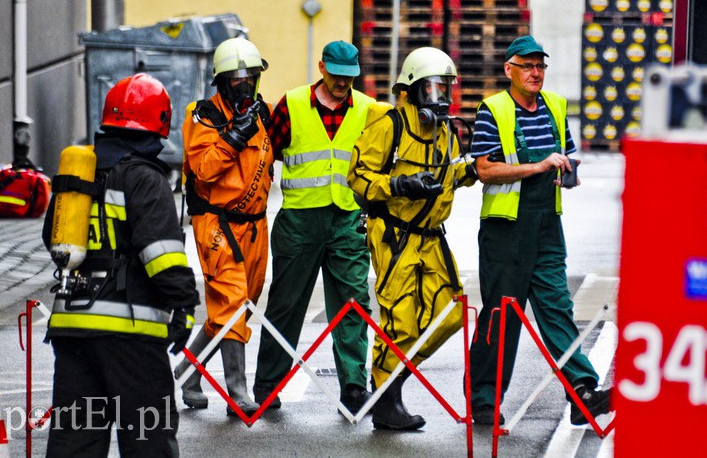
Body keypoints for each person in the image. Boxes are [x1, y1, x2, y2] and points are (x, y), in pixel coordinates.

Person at [43, 73, 200, 456]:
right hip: (130, 333)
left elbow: (53, 236)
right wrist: (184, 305)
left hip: (72, 328)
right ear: (159, 124)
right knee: (149, 438)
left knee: (75, 443)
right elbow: (161, 253)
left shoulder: (78, 173)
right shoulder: (145, 178)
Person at [467, 35, 614, 426]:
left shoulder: (555, 106)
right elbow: (483, 169)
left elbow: (564, 153)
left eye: (540, 66)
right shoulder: (492, 110)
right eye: (528, 66)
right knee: (501, 317)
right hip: (505, 230)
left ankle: (582, 393)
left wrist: (568, 171)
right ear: (509, 70)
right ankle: (483, 399)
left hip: (547, 225)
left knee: (557, 309)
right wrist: (537, 167)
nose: (536, 73)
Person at [254, 40, 390, 414]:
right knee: (285, 305)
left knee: (353, 305)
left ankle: (352, 387)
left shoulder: (366, 110)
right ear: (321, 67)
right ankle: (267, 386)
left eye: (349, 77)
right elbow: (268, 153)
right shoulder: (292, 104)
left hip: (347, 219)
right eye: (336, 75)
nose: (343, 83)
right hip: (300, 221)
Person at [348, 47, 478, 431]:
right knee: (399, 321)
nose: (441, 97)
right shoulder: (389, 125)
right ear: (413, 90)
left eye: (446, 88)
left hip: (432, 237)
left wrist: (480, 166)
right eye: (434, 88)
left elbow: (456, 172)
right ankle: (387, 400)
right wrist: (400, 184)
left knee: (451, 313)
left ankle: (391, 379)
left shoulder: (445, 132)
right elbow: (357, 176)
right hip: (395, 237)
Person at [177, 37, 273, 416]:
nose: (245, 87)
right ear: (221, 82)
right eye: (238, 81)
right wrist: (234, 137)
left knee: (235, 310)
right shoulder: (204, 116)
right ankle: (238, 392)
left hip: (255, 226)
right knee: (231, 305)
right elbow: (203, 169)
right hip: (217, 224)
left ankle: (188, 370)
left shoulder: (262, 113)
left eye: (251, 79)